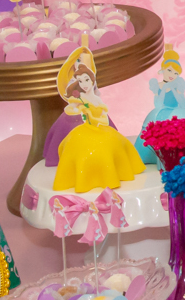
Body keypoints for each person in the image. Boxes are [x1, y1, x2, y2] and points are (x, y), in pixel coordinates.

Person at [53, 44, 146, 193]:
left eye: (86, 80)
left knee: (110, 146)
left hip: (101, 130)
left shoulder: (97, 100)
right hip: (85, 131)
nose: (84, 85)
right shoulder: (81, 97)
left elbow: (103, 119)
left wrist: (93, 116)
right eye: (80, 81)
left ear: (92, 80)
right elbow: (72, 103)